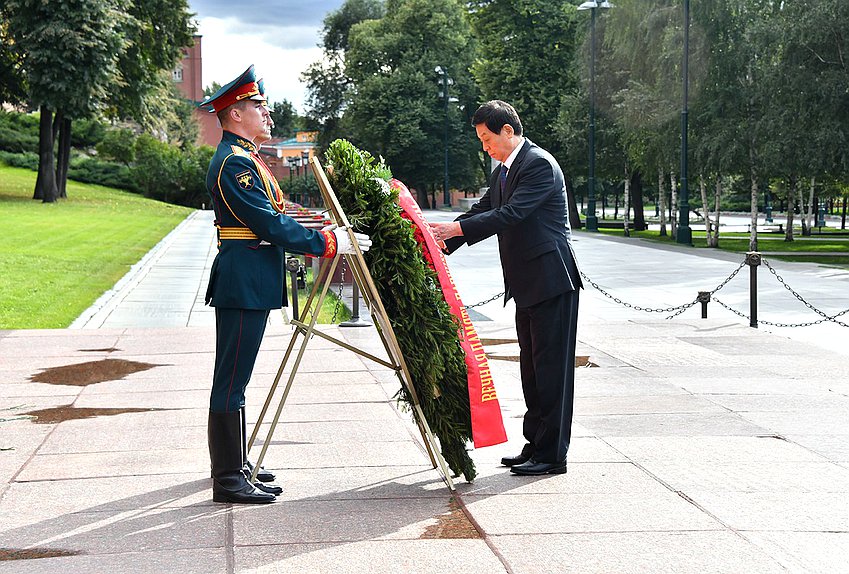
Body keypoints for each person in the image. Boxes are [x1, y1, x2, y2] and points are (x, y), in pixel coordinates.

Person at [201, 65, 371, 503]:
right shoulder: (234, 164)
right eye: (257, 106)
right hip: (244, 279)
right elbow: (268, 223)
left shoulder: (248, 159)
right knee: (232, 379)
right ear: (235, 114)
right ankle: (227, 479)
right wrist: (329, 242)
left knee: (237, 377)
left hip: (252, 277)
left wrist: (320, 228)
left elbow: (276, 216)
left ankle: (236, 465)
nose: (267, 112)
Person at [430, 100, 582, 476]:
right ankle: (535, 446)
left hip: (551, 280)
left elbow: (511, 214)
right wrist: (439, 242)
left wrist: (458, 230)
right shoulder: (505, 172)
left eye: (486, 139)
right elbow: (484, 208)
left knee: (552, 373)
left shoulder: (538, 165)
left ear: (508, 132)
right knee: (531, 371)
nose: (485, 147)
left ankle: (552, 455)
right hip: (528, 284)